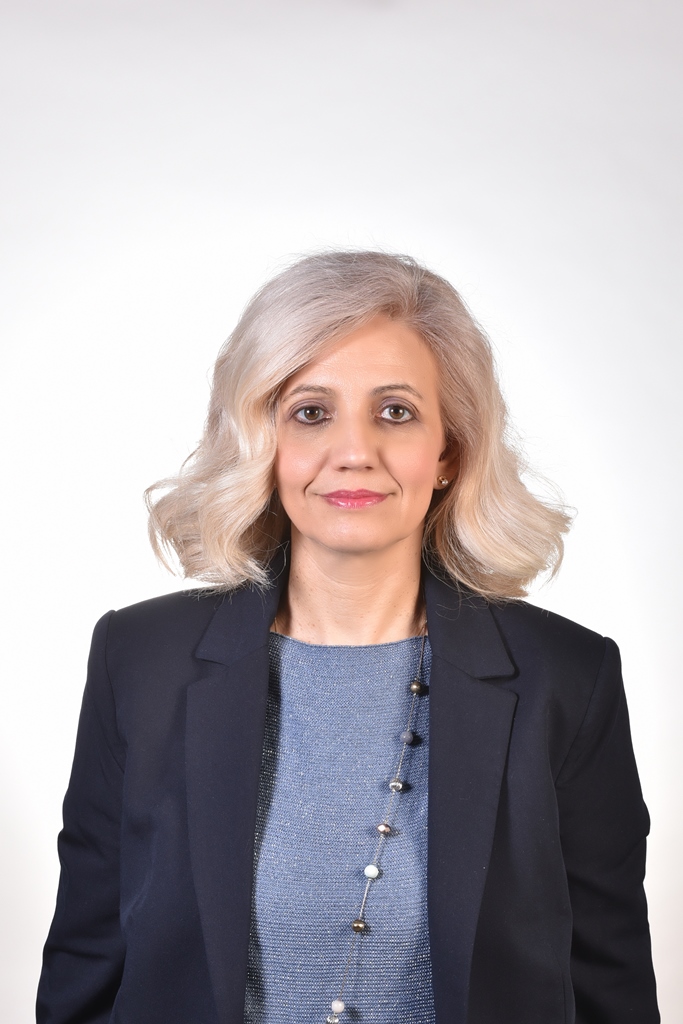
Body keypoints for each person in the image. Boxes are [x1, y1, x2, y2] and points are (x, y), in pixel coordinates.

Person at [37, 251, 659, 1024]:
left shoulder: (565, 676)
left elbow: (609, 985)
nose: (355, 451)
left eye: (395, 412)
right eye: (311, 412)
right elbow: (86, 971)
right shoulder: (140, 660)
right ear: (262, 440)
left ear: (448, 450)